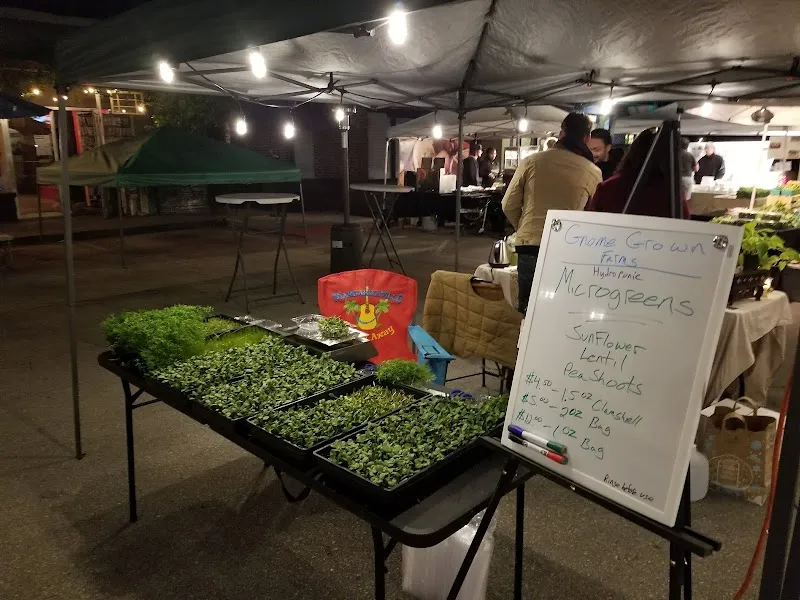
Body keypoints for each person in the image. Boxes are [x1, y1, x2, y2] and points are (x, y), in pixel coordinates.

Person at [502, 112, 602, 314]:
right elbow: (593, 216)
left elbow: (508, 204)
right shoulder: (593, 171)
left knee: (529, 312)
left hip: (529, 244)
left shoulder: (532, 161)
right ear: (587, 138)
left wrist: (523, 227)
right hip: (567, 248)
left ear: (561, 132)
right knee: (558, 311)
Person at [586, 128, 690, 218]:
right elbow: (683, 221)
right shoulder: (672, 192)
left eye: (596, 149)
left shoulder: (607, 187)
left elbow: (593, 220)